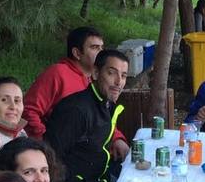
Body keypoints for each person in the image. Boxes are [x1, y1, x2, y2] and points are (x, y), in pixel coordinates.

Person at [44, 48, 129, 182]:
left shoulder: (105, 104)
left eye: (124, 76)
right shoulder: (76, 110)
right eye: (112, 73)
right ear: (96, 73)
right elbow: (51, 158)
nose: (119, 82)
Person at [24, 27, 128, 157]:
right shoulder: (58, 73)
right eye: (95, 47)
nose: (101, 52)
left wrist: (117, 138)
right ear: (77, 53)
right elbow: (28, 110)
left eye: (102, 48)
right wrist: (45, 145)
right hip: (59, 157)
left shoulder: (101, 80)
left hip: (92, 155)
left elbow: (103, 118)